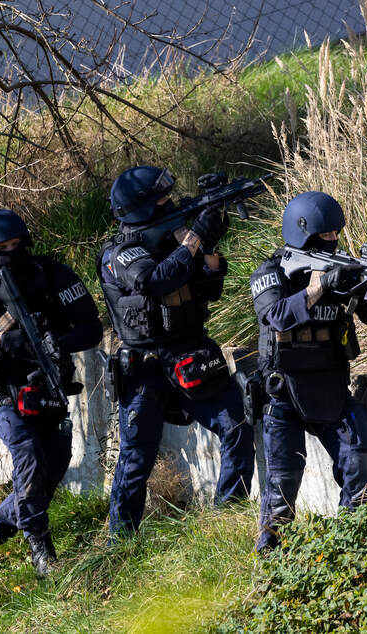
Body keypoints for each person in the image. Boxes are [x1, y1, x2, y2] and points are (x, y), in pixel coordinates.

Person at [97, 165, 255, 538]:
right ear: (139, 210)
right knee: (136, 460)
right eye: (161, 200)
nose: (169, 203)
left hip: (191, 356)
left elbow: (209, 288)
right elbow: (155, 280)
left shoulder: (173, 239)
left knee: (236, 425)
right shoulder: (119, 253)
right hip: (145, 368)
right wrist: (192, 239)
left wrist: (208, 246)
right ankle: (120, 544)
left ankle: (226, 522)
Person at [0, 208, 103, 576]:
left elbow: (92, 328)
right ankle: (42, 552)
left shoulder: (53, 275)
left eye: (17, 244)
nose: (12, 252)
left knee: (47, 474)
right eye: (3, 248)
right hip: (5, 394)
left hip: (49, 389)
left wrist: (57, 342)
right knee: (30, 461)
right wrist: (1, 340)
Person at [249, 191, 367, 552]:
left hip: (330, 389)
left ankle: (351, 546)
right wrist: (317, 287)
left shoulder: (339, 272)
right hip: (282, 393)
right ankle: (270, 559)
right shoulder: (271, 272)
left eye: (335, 235)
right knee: (283, 480)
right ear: (303, 235)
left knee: (360, 455)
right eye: (325, 237)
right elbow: (276, 316)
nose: (333, 241)